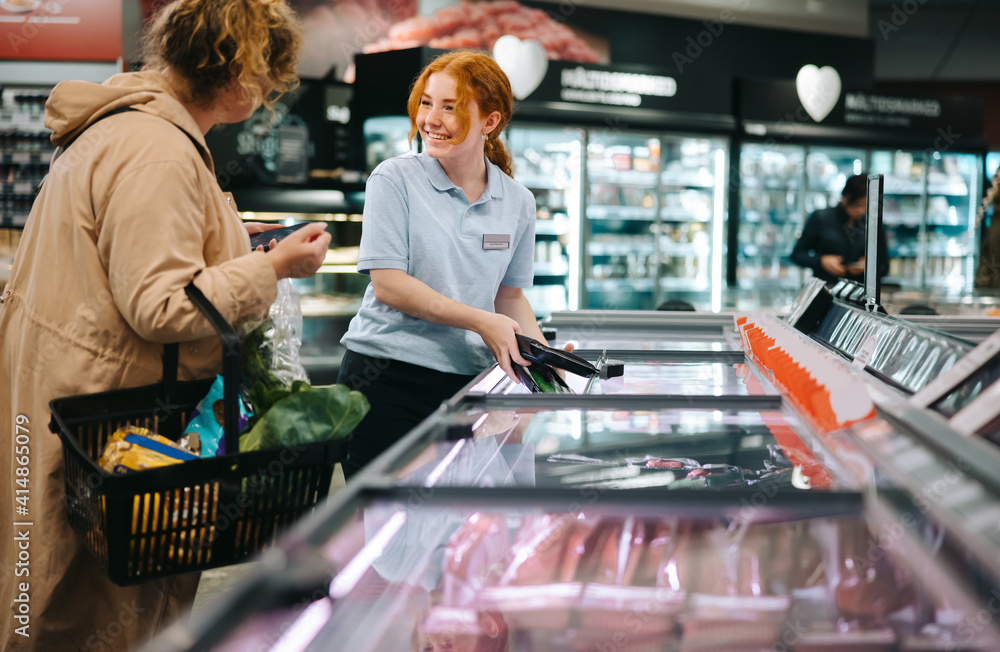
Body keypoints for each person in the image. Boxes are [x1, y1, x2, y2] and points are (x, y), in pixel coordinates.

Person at [0, 1, 331, 650]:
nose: (266, 97)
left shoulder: (137, 128)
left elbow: (138, 256)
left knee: (47, 582)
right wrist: (275, 270)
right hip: (102, 413)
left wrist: (234, 241)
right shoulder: (159, 150)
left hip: (70, 393)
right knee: (80, 606)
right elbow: (162, 304)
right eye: (266, 79)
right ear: (235, 71)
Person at [338, 50, 566, 479]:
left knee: (452, 523)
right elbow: (389, 285)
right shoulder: (393, 179)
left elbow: (509, 298)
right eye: (426, 103)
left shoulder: (518, 202)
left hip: (468, 385)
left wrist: (544, 355)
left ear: (490, 122)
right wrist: (482, 322)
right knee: (387, 525)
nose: (431, 119)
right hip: (386, 379)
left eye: (450, 107)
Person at [790, 174, 889, 285]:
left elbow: (884, 267)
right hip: (826, 288)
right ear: (845, 197)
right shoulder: (821, 217)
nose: (860, 210)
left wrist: (868, 267)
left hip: (859, 293)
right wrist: (821, 261)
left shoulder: (874, 223)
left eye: (865, 205)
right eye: (856, 205)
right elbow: (797, 255)